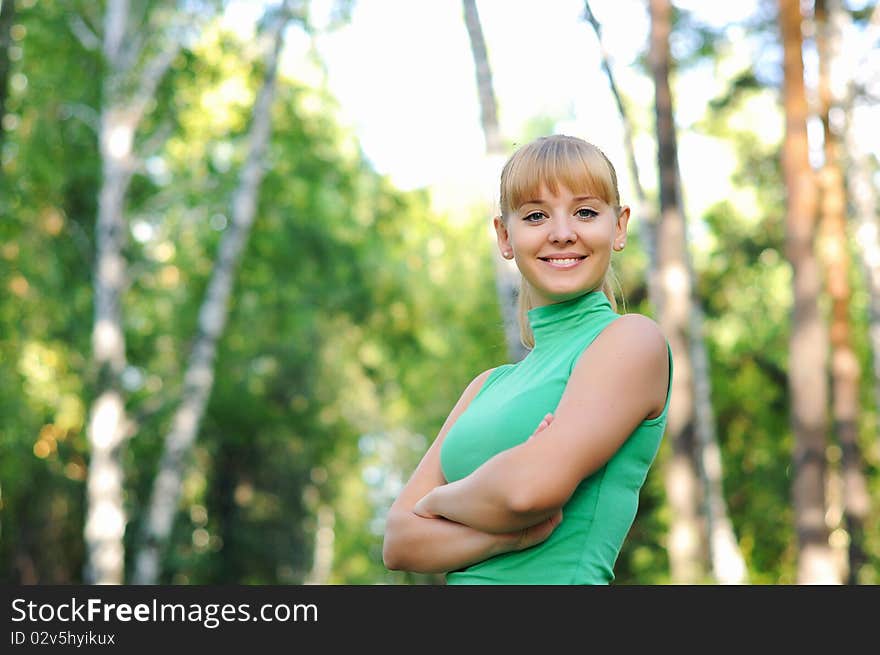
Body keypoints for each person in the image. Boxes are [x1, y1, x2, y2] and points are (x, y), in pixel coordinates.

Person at [382, 134, 673, 584]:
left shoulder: (631, 340)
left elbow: (528, 491)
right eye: (536, 215)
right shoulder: (486, 387)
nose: (561, 232)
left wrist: (436, 504)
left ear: (619, 227)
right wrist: (503, 538)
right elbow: (399, 542)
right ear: (505, 235)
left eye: (586, 212)